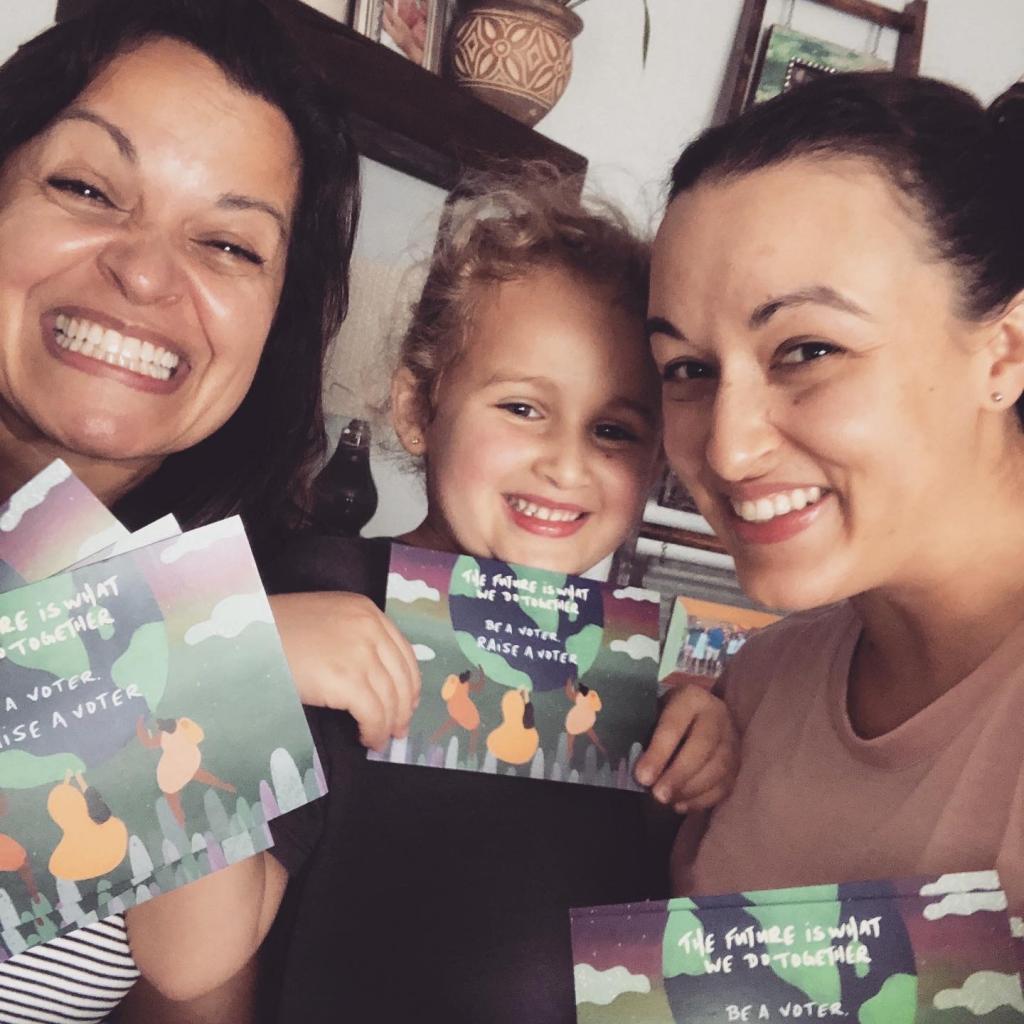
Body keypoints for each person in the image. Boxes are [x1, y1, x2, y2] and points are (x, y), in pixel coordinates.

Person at [245, 169, 740, 1024]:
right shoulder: (323, 603)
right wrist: (235, 659)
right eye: (522, 407)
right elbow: (196, 953)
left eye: (614, 430)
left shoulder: (625, 679)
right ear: (415, 407)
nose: (566, 464)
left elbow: (626, 952)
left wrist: (696, 748)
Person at [0, 1, 411, 1020]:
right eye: (88, 187)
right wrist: (209, 647)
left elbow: (192, 971)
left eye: (228, 245)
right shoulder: (245, 630)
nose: (144, 270)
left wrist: (211, 656)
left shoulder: (268, 591)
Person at [645, 72, 1024, 909]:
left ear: (1003, 353)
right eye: (687, 370)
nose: (727, 448)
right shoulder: (756, 691)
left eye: (807, 349)